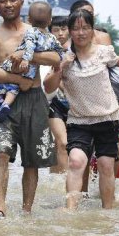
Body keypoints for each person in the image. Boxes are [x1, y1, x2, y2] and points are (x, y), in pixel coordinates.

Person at [0, 0, 60, 219]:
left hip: (35, 99)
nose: (8, 4)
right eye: (3, 1)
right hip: (5, 99)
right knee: (1, 152)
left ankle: (26, 210)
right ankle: (0, 207)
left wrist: (28, 55)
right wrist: (17, 79)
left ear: (21, 2)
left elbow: (56, 56)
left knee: (32, 160)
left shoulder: (33, 30)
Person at [43, 9, 119, 209]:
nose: (81, 32)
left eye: (85, 27)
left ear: (92, 30)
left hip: (107, 119)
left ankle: (108, 211)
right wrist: (61, 67)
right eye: (76, 28)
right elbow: (48, 87)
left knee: (105, 165)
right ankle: (70, 210)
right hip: (79, 121)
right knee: (76, 161)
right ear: (70, 31)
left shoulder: (105, 52)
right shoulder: (63, 57)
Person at [0, 2, 63, 123]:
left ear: (29, 19)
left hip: (22, 64)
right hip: (31, 70)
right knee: (17, 83)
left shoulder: (31, 31)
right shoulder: (51, 37)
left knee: (6, 74)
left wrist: (25, 57)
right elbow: (59, 52)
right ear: (50, 20)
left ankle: (2, 100)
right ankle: (4, 103)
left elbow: (30, 45)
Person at [44, 16, 71, 173]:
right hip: (53, 102)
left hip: (77, 104)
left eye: (63, 29)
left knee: (70, 145)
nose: (60, 33)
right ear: (50, 32)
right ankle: (64, 182)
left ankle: (54, 177)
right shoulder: (46, 52)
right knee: (62, 142)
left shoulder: (77, 50)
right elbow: (46, 78)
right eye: (56, 30)